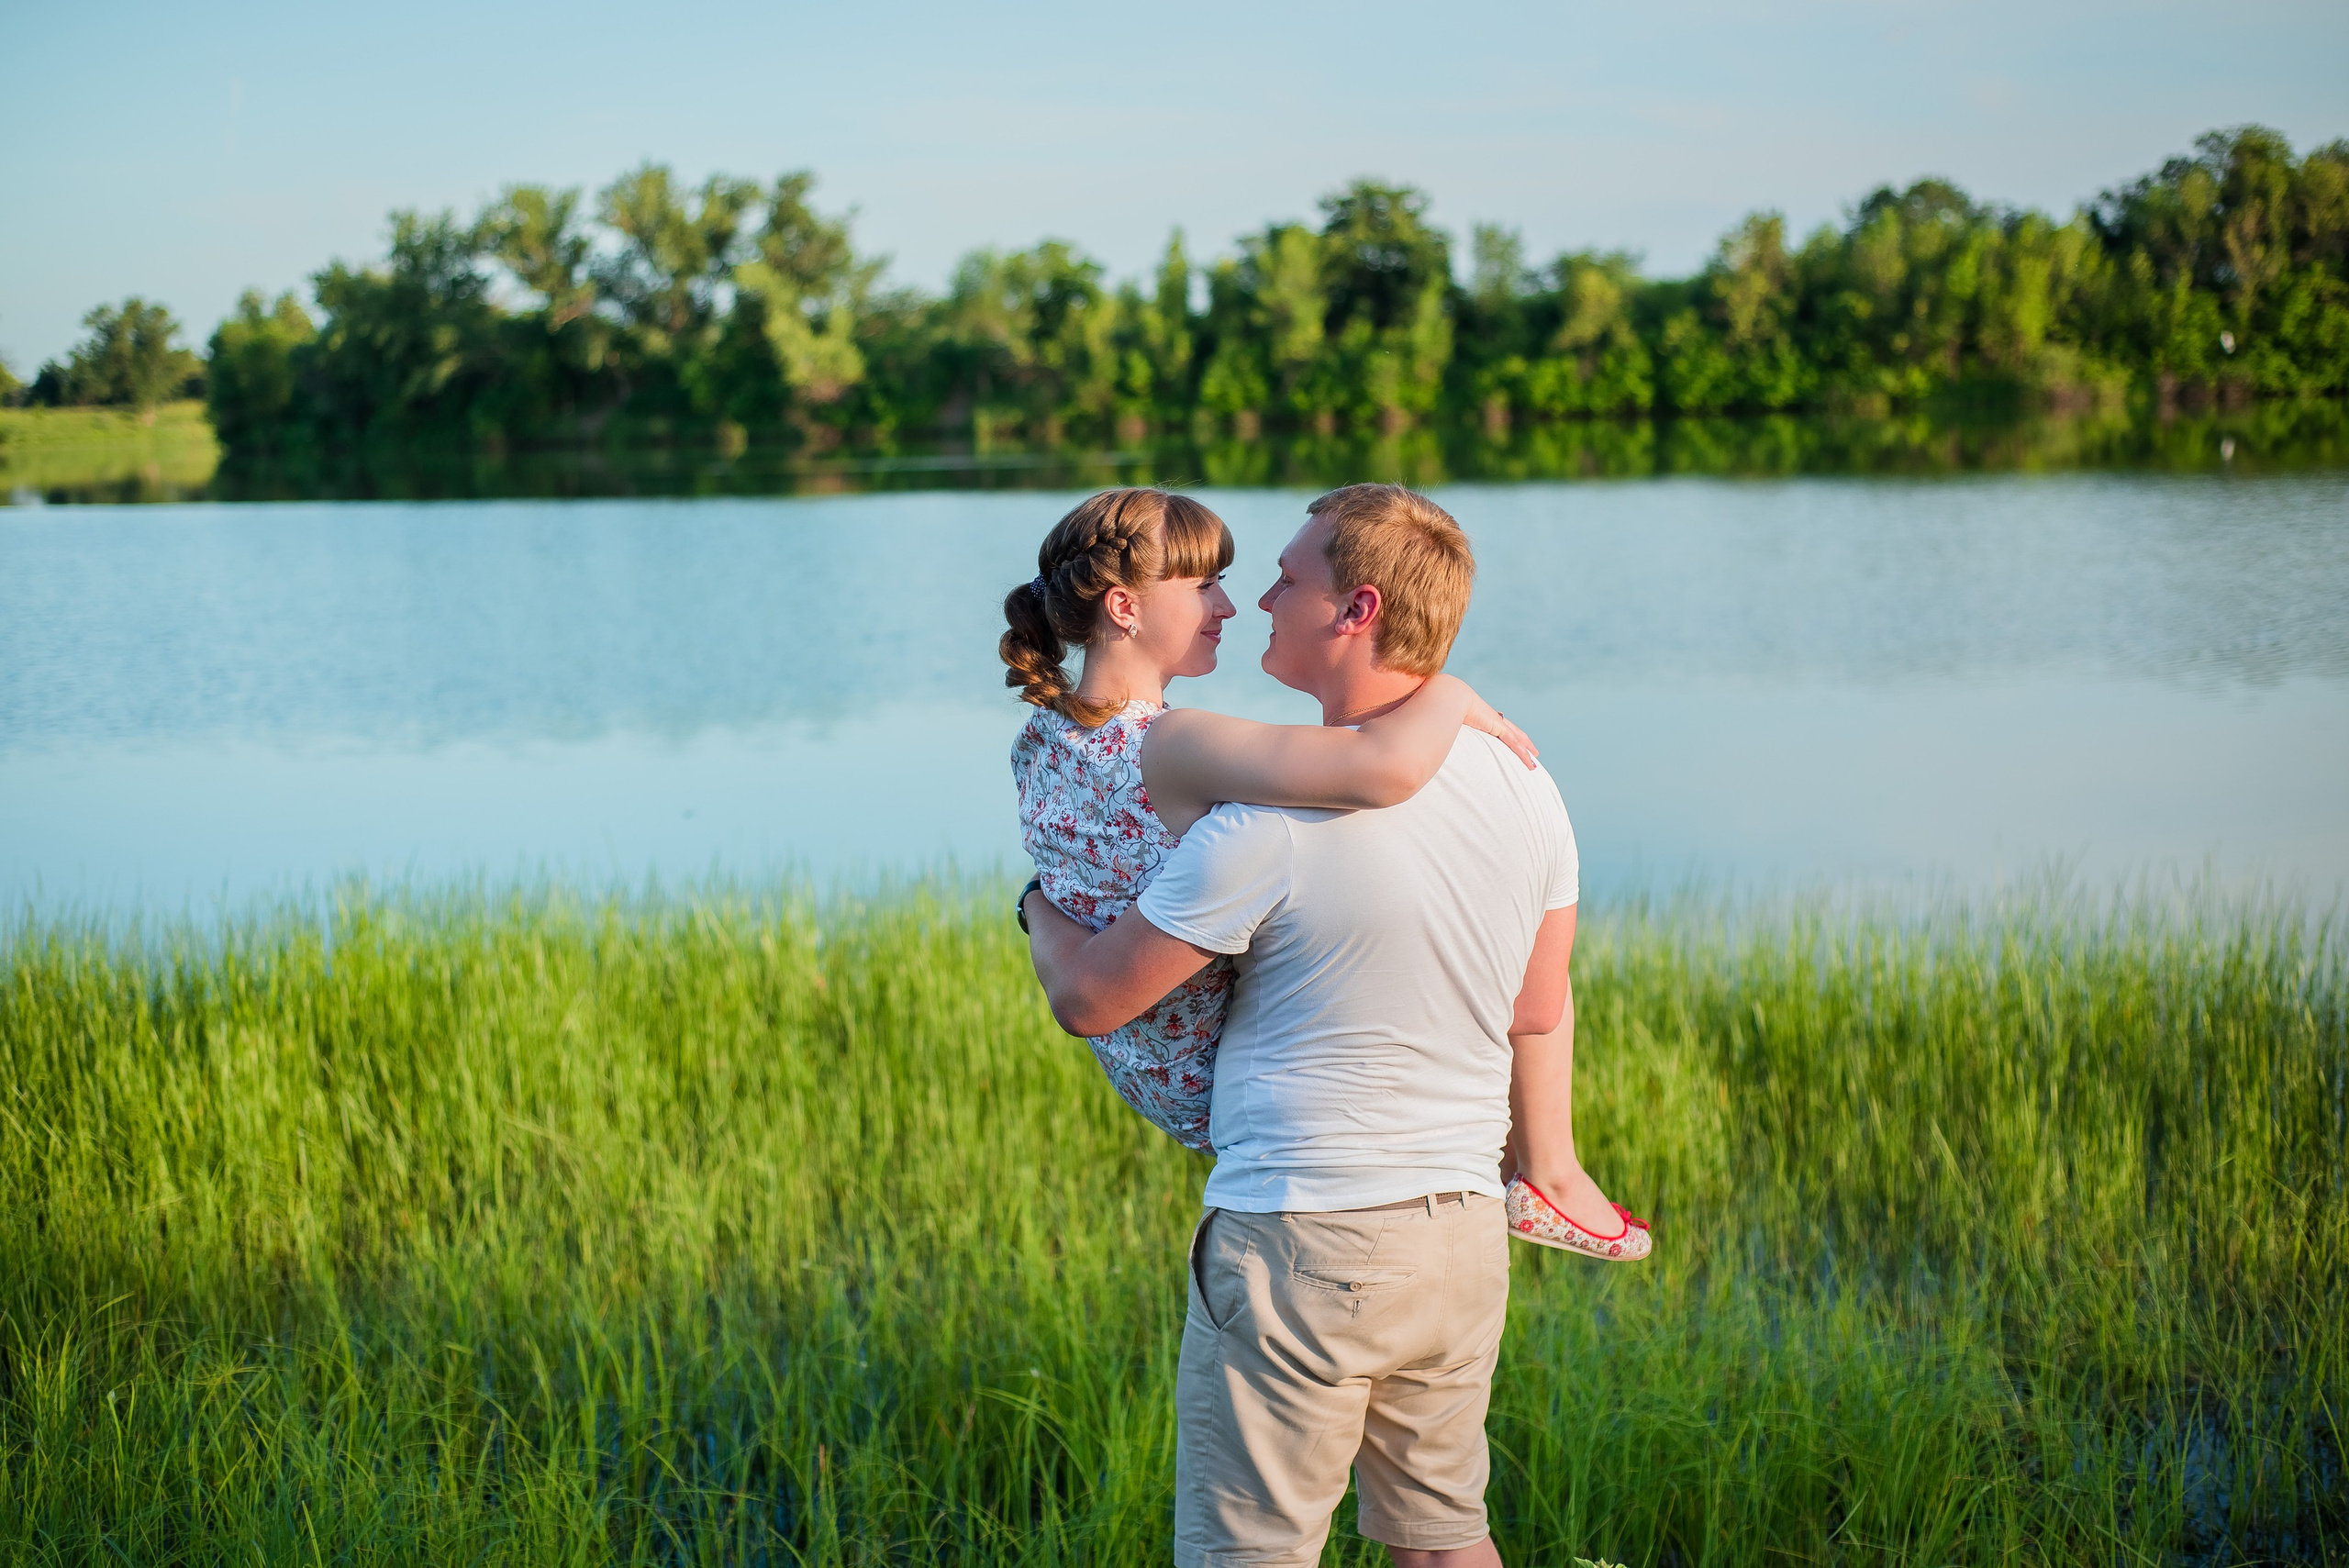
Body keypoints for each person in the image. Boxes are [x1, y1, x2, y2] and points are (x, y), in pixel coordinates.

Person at [1019, 484, 1644, 1568]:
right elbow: (1537, 1009)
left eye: (1286, 577)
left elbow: (1092, 1000)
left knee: (1247, 1551)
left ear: (1354, 610)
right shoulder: (1528, 787)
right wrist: (1549, 1157)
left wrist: (1036, 909)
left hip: (1301, 1234)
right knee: (1446, 1537)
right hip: (1456, 1233)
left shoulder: (1260, 824)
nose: (1255, 596)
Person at [1002, 486, 1646, 1259]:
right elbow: (1383, 766)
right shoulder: (1176, 747)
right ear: (1124, 608)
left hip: (1165, 1074)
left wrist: (1036, 908)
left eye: (1251, 581)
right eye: (1206, 584)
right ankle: (1551, 1166)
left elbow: (1067, 902)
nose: (1237, 606)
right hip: (1287, 1126)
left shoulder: (1044, 740)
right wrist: (1448, 692)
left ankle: (1546, 1168)